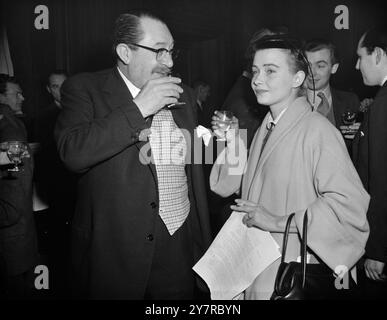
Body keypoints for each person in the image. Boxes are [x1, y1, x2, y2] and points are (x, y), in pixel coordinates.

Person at [55, 11, 212, 299]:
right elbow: (72, 153)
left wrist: (220, 142)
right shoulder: (84, 89)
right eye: (160, 51)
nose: (170, 62)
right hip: (114, 252)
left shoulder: (185, 94)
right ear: (125, 52)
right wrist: (139, 108)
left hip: (179, 245)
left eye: (172, 51)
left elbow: (194, 164)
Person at [210, 34, 370, 299]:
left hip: (289, 268)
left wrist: (278, 221)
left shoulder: (318, 130)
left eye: (270, 71)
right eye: (255, 71)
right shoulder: (267, 126)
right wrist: (232, 141)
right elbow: (235, 186)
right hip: (258, 262)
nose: (257, 80)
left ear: (297, 79)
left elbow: (349, 206)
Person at [352, 25, 387, 298]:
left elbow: (382, 179)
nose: (357, 65)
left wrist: (377, 248)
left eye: (361, 56)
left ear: (378, 55)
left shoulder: (383, 105)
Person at [35, 70, 75, 298]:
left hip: (78, 187)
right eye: (55, 86)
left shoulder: (81, 111)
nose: (61, 90)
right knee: (60, 244)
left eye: (64, 85)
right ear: (49, 90)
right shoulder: (43, 118)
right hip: (57, 189)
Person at [0, 74, 39, 299]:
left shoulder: (9, 128)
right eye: (16, 93)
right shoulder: (10, 127)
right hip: (14, 236)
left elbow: (16, 182)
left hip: (10, 233)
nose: (22, 98)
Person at [304, 39, 361, 151]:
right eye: (308, 65)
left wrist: (360, 135)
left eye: (320, 66)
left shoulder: (350, 101)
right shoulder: (291, 101)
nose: (312, 72)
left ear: (334, 68)